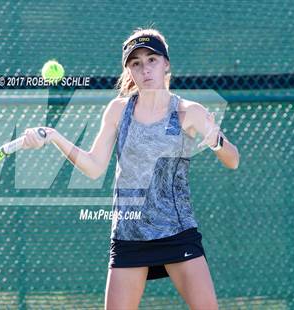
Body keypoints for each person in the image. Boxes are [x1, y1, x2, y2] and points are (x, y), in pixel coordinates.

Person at [21, 28, 239, 310]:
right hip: (129, 235)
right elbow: (94, 167)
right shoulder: (117, 110)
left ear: (166, 64)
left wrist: (215, 140)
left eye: (152, 60)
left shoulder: (189, 112)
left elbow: (233, 159)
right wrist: (54, 136)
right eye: (136, 63)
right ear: (129, 71)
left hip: (177, 232)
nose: (145, 69)